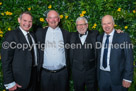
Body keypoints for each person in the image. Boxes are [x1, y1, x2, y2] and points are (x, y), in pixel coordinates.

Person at [1, 11, 38, 91]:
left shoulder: (32, 35)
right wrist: (10, 82)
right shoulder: (11, 35)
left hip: (33, 78)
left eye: (30, 21)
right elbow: (5, 60)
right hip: (18, 81)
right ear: (19, 20)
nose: (27, 24)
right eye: (24, 20)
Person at [35, 10, 70, 91]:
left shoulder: (66, 34)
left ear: (59, 19)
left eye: (55, 18)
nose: (53, 20)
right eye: (50, 18)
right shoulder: (39, 33)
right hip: (45, 74)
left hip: (62, 73)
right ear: (47, 20)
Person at [97, 15, 134, 91]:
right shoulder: (99, 38)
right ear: (101, 25)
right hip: (102, 76)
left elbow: (129, 58)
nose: (106, 26)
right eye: (104, 24)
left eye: (109, 23)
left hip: (119, 77)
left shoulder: (123, 37)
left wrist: (127, 78)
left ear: (113, 23)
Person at [70, 17, 98, 91]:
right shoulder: (71, 36)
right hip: (77, 72)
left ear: (87, 25)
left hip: (91, 72)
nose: (80, 27)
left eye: (82, 24)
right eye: (78, 25)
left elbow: (106, 35)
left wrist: (117, 31)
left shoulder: (95, 35)